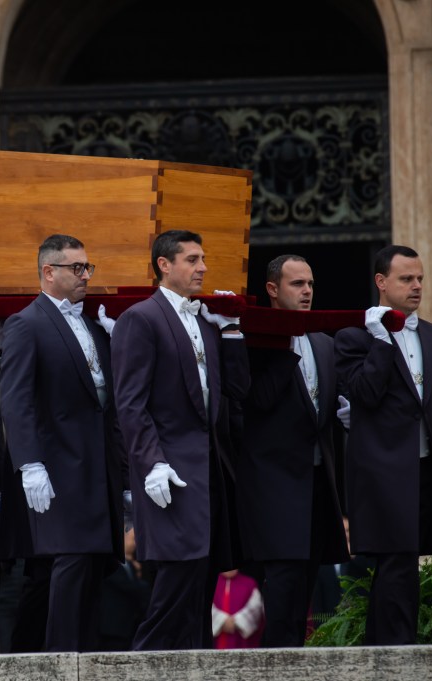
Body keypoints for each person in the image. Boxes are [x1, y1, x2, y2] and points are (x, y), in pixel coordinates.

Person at [111, 229, 250, 650]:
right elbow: (130, 403)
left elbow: (234, 392)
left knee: (202, 580)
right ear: (164, 265)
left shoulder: (205, 320)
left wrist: (230, 333)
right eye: (192, 259)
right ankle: (138, 666)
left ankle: (196, 665)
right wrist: (151, 462)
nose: (203, 267)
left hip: (208, 469)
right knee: (176, 580)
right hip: (169, 471)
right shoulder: (141, 317)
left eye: (203, 259)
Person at [0, 234, 127, 652]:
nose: (85, 275)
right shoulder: (26, 323)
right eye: (77, 268)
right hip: (56, 469)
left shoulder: (92, 324)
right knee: (69, 565)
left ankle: (81, 660)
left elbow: (108, 405)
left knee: (92, 568)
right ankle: (59, 663)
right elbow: (16, 400)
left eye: (88, 267)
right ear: (48, 272)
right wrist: (29, 463)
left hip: (96, 467)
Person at [333, 244, 432, 645]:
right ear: (381, 282)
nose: (417, 286)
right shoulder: (353, 337)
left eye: (420, 278)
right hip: (383, 472)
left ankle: (385, 648)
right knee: (398, 562)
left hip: (427, 468)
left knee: (404, 563)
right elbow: (364, 394)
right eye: (407, 278)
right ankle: (398, 651)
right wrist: (381, 342)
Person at [237, 254, 349, 647]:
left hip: (319, 483)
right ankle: (276, 666)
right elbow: (259, 401)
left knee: (307, 586)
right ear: (272, 289)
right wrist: (284, 341)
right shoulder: (256, 341)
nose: (306, 292)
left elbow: (326, 413)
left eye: (310, 285)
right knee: (283, 587)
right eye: (296, 285)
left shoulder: (323, 341)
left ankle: (296, 661)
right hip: (274, 487)